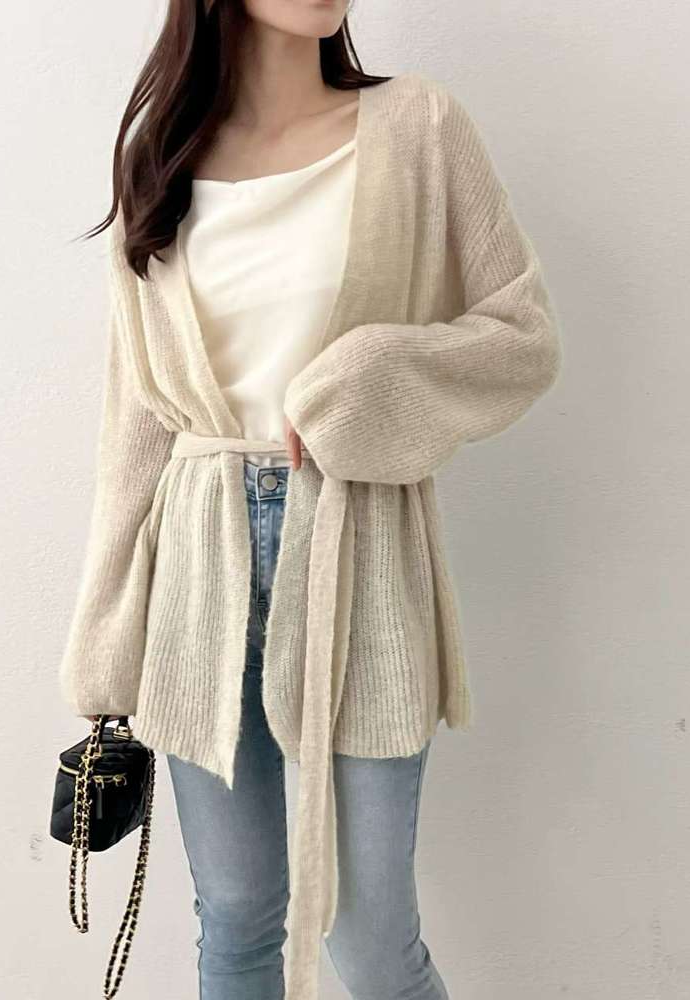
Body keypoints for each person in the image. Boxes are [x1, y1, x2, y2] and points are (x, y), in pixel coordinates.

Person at [58, 2, 563, 998]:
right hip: (196, 569)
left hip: (358, 552)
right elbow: (135, 424)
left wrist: (373, 373)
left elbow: (522, 337)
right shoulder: (160, 151)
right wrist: (104, 652)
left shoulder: (417, 125)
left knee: (369, 943)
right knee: (237, 919)